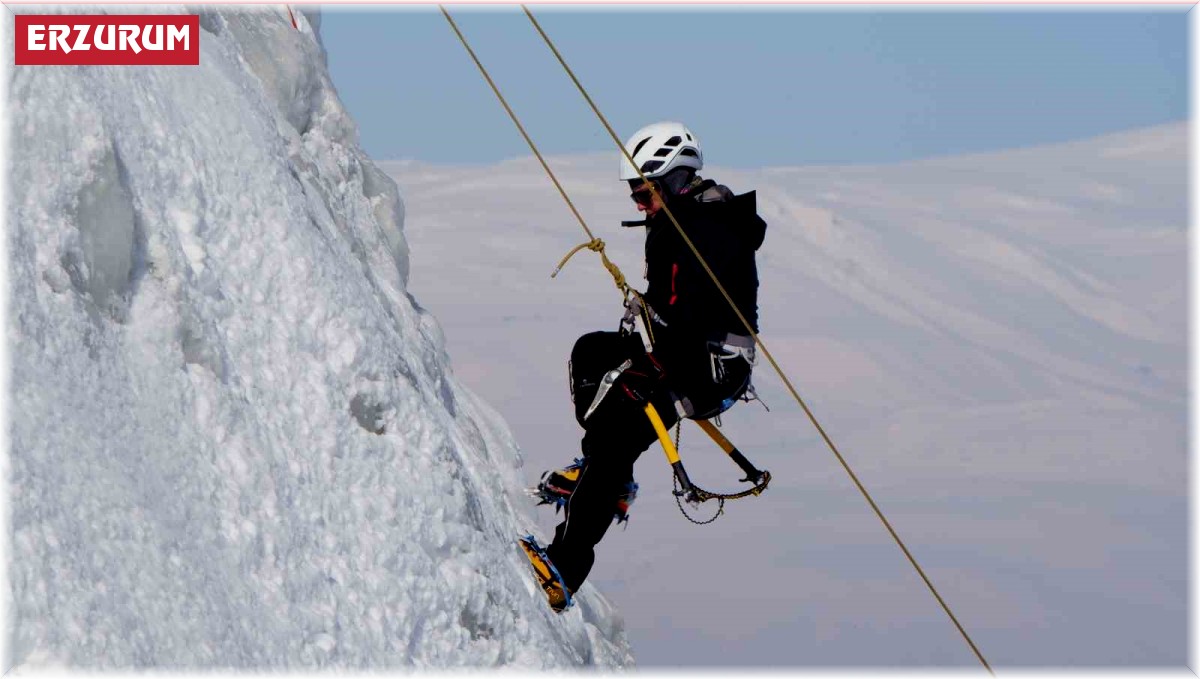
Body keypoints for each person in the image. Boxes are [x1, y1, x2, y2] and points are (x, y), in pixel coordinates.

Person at [533, 121, 768, 611]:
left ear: (672, 180)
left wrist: (650, 317)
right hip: (702, 355)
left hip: (704, 362)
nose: (638, 205)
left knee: (617, 426)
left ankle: (565, 564)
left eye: (643, 193)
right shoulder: (700, 217)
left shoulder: (695, 226)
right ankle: (605, 477)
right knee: (594, 354)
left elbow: (684, 313)